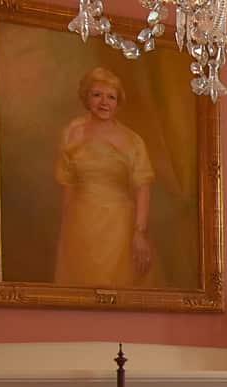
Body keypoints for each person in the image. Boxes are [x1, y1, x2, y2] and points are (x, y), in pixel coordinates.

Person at [54, 67, 158, 288]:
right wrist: (65, 230)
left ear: (118, 102)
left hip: (119, 228)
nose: (104, 102)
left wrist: (139, 233)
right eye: (97, 95)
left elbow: (143, 187)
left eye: (111, 97)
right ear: (86, 97)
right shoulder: (72, 132)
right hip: (79, 226)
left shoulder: (132, 140)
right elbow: (68, 184)